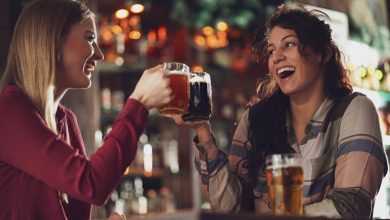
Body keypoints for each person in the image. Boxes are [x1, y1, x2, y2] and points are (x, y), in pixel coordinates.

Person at [172, 4, 388, 218]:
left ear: (323, 53)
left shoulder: (354, 110)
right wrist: (202, 131)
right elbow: (230, 208)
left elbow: (350, 207)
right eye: (272, 50)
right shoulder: (255, 119)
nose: (276, 57)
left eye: (289, 44)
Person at [0, 0, 172, 219]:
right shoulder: (8, 113)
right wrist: (139, 103)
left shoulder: (66, 120)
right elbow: (92, 184)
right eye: (90, 39)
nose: (99, 54)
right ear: (52, 41)